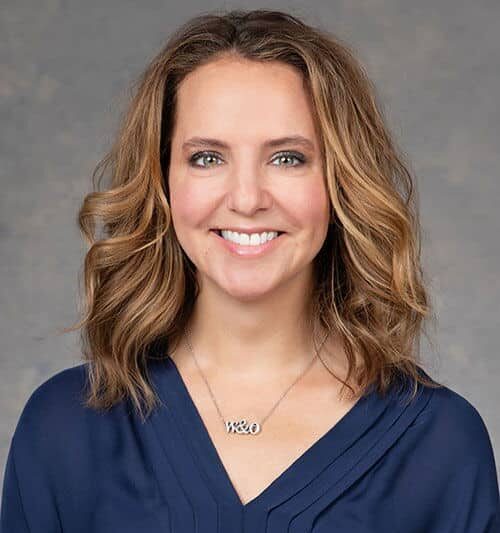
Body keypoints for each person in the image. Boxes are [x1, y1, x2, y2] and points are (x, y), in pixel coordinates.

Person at [1, 8, 499, 532]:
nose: (245, 199)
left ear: (341, 180)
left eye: (286, 158)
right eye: (207, 158)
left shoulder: (438, 444)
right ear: (162, 179)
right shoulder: (67, 428)